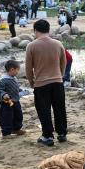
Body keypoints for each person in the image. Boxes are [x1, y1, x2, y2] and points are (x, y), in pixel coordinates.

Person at [25, 19, 68, 147]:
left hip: (41, 83)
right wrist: (60, 75)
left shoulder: (31, 46)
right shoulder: (58, 44)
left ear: (35, 30)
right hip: (57, 81)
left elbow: (28, 68)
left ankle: (48, 136)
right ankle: (62, 134)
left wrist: (31, 81)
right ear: (48, 30)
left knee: (44, 110)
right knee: (59, 108)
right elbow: (63, 62)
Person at [0, 60, 26, 138]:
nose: (18, 72)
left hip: (15, 100)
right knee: (6, 117)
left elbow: (15, 87)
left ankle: (16, 129)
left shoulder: (13, 78)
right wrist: (3, 94)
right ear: (12, 69)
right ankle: (6, 133)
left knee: (18, 115)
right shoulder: (4, 80)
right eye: (17, 70)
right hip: (6, 103)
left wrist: (21, 91)